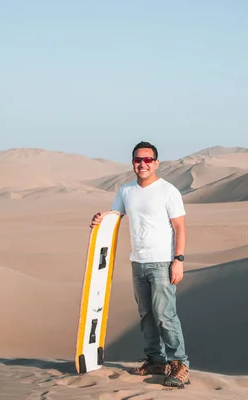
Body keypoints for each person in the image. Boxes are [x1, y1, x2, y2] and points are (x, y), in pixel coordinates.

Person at [90, 141, 190, 388]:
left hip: (162, 263)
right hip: (138, 262)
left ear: (156, 163)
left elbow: (180, 227)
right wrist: (100, 218)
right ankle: (156, 360)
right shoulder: (126, 191)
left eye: (147, 159)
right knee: (146, 315)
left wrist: (178, 260)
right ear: (133, 162)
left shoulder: (168, 191)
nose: (142, 164)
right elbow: (115, 216)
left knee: (166, 315)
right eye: (138, 159)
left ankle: (180, 364)